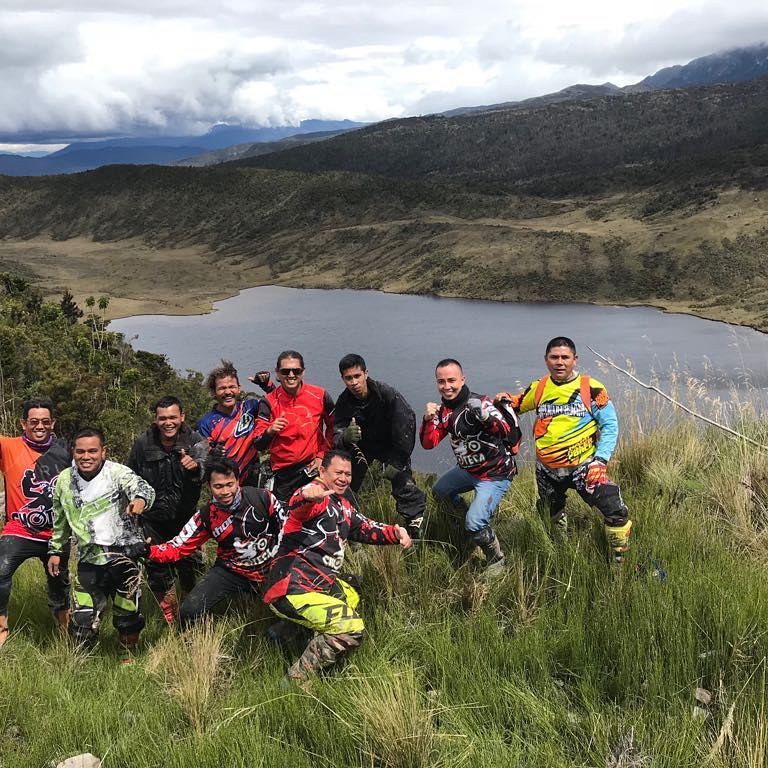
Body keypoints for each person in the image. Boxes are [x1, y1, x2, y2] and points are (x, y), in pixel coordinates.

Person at [263, 450, 411, 683]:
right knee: (351, 626)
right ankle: (296, 680)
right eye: (338, 472)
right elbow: (298, 503)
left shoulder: (343, 505)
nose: (343, 478)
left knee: (352, 591)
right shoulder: (316, 497)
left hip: (319, 586)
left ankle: (286, 633)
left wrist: (396, 532)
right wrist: (308, 495)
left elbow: (366, 527)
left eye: (348, 474)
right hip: (290, 589)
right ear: (322, 471)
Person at [496, 336, 632, 562]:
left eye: (565, 357)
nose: (559, 362)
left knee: (615, 509)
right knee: (553, 514)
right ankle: (562, 555)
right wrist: (504, 400)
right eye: (554, 357)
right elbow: (517, 404)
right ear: (546, 360)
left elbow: (610, 425)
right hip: (547, 471)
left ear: (575, 360)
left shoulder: (592, 388)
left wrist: (601, 459)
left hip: (585, 467)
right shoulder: (539, 388)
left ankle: (619, 562)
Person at [47, 428, 156, 663]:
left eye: (93, 451)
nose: (86, 456)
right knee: (82, 619)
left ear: (103, 452)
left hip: (124, 556)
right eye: (81, 451)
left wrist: (139, 500)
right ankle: (83, 662)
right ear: (73, 453)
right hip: (89, 558)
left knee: (128, 614)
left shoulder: (117, 473)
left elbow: (144, 488)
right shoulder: (64, 481)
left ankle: (126, 656)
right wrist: (55, 550)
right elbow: (60, 520)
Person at [147, 456, 286, 628]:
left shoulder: (263, 498)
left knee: (290, 609)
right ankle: (187, 643)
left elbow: (288, 530)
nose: (225, 492)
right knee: (188, 611)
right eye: (218, 486)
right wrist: (148, 551)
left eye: (230, 484)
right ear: (209, 487)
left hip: (272, 567)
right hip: (232, 571)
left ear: (238, 481)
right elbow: (177, 547)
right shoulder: (206, 516)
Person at [420, 359, 517, 576]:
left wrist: (484, 417)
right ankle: (469, 519)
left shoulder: (480, 402)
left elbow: (506, 430)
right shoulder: (443, 411)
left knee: (474, 523)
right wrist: (427, 419)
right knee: (439, 491)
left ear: (463, 380)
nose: (447, 386)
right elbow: (429, 443)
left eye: (452, 380)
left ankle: (496, 559)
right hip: (467, 471)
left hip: (494, 474)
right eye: (441, 382)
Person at [127, 395, 209, 624]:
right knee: (158, 569)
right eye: (162, 418)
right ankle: (171, 618)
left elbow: (209, 471)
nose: (168, 422)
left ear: (182, 417)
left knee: (191, 568)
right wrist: (136, 499)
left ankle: (193, 614)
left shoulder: (195, 441)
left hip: (187, 520)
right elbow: (129, 476)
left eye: (173, 417)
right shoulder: (143, 443)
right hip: (154, 520)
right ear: (156, 420)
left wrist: (196, 467)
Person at [0, 398, 71, 647]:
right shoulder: (8, 446)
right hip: (19, 529)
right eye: (33, 422)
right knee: (1, 569)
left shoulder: (66, 451)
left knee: (59, 581)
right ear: (23, 424)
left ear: (52, 423)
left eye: (44, 421)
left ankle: (64, 631)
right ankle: (1, 628)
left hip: (56, 533)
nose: (39, 426)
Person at [333, 353, 426, 540]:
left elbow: (406, 423)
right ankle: (352, 529)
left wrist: (397, 461)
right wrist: (345, 437)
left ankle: (415, 528)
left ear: (366, 373)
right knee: (344, 483)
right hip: (362, 448)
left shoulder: (386, 394)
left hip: (391, 446)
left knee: (403, 483)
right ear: (342, 379)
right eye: (348, 378)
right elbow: (336, 434)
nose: (354, 382)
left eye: (357, 376)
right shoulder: (344, 402)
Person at [254, 351, 335, 504]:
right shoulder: (268, 402)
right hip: (284, 475)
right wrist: (270, 431)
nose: (291, 375)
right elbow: (258, 443)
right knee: (286, 521)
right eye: (285, 371)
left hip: (312, 468)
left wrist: (322, 455)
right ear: (277, 373)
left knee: (321, 516)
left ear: (302, 372)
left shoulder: (320, 395)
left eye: (296, 371)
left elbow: (334, 426)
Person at [196, 359, 273, 484]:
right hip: (225, 485)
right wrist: (212, 455)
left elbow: (277, 403)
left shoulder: (251, 408)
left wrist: (267, 386)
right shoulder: (206, 423)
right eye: (222, 388)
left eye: (232, 387)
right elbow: (201, 462)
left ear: (239, 388)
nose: (228, 392)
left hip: (253, 482)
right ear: (214, 392)